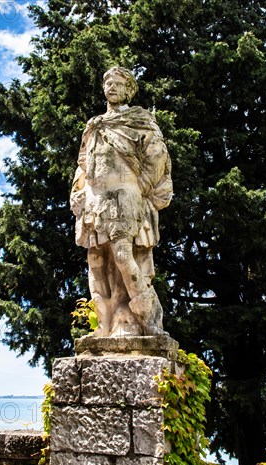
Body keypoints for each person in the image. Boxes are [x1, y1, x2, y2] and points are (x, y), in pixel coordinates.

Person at [70, 66, 173, 337]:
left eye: (118, 84)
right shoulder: (94, 125)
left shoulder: (140, 121)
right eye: (108, 83)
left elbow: (157, 157)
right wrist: (77, 190)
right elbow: (84, 164)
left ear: (129, 90)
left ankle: (147, 318)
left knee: (124, 254)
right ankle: (103, 325)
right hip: (95, 199)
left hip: (125, 196)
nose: (112, 88)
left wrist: (138, 188)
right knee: (96, 261)